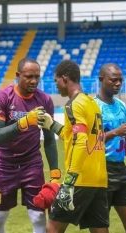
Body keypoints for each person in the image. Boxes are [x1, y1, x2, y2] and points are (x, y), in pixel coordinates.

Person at [0, 57, 60, 233]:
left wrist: (55, 172)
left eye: (37, 76)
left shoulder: (45, 100)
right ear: (18, 75)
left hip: (32, 166)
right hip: (4, 165)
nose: (34, 81)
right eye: (29, 76)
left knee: (38, 217)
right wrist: (25, 122)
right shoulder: (2, 97)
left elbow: (49, 139)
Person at [39, 60, 109, 233]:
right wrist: (52, 125)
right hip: (99, 179)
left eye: (56, 81)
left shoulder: (73, 104)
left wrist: (69, 182)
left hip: (79, 179)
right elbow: (73, 136)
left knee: (52, 228)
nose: (56, 86)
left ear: (64, 79)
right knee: (100, 230)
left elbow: (80, 141)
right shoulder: (91, 103)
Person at [94, 63, 126, 233]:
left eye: (120, 81)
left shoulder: (121, 106)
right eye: (113, 80)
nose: (118, 84)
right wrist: (115, 132)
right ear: (101, 80)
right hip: (100, 171)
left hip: (121, 172)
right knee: (101, 229)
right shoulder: (92, 106)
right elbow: (88, 142)